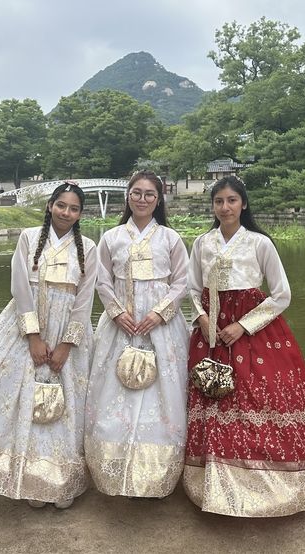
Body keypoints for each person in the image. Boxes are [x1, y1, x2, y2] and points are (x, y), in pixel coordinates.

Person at [0, 181, 98, 509]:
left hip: (67, 326)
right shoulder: (29, 238)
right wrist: (34, 337)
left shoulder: (89, 247)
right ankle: (26, 477)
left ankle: (60, 479)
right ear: (50, 206)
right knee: (19, 399)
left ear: (81, 213)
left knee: (64, 407)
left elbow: (84, 301)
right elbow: (19, 288)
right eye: (61, 205)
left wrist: (67, 344)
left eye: (73, 208)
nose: (66, 213)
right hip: (26, 327)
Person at [184, 175, 305, 517]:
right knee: (213, 399)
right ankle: (212, 484)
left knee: (257, 397)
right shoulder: (202, 243)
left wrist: (243, 325)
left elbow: (282, 294)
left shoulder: (260, 243)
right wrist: (202, 318)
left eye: (232, 200)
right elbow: (192, 289)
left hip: (252, 332)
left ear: (244, 204)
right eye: (219, 201)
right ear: (213, 206)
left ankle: (264, 485)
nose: (225, 207)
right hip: (211, 333)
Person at [85, 170, 190, 497]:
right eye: (137, 192)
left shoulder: (170, 239)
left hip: (162, 328)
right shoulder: (112, 238)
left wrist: (159, 313)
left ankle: (156, 475)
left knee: (163, 396)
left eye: (150, 194)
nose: (142, 199)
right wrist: (116, 313)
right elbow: (101, 280)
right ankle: (114, 470)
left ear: (158, 201)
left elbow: (182, 282)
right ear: (127, 195)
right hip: (121, 326)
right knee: (114, 394)